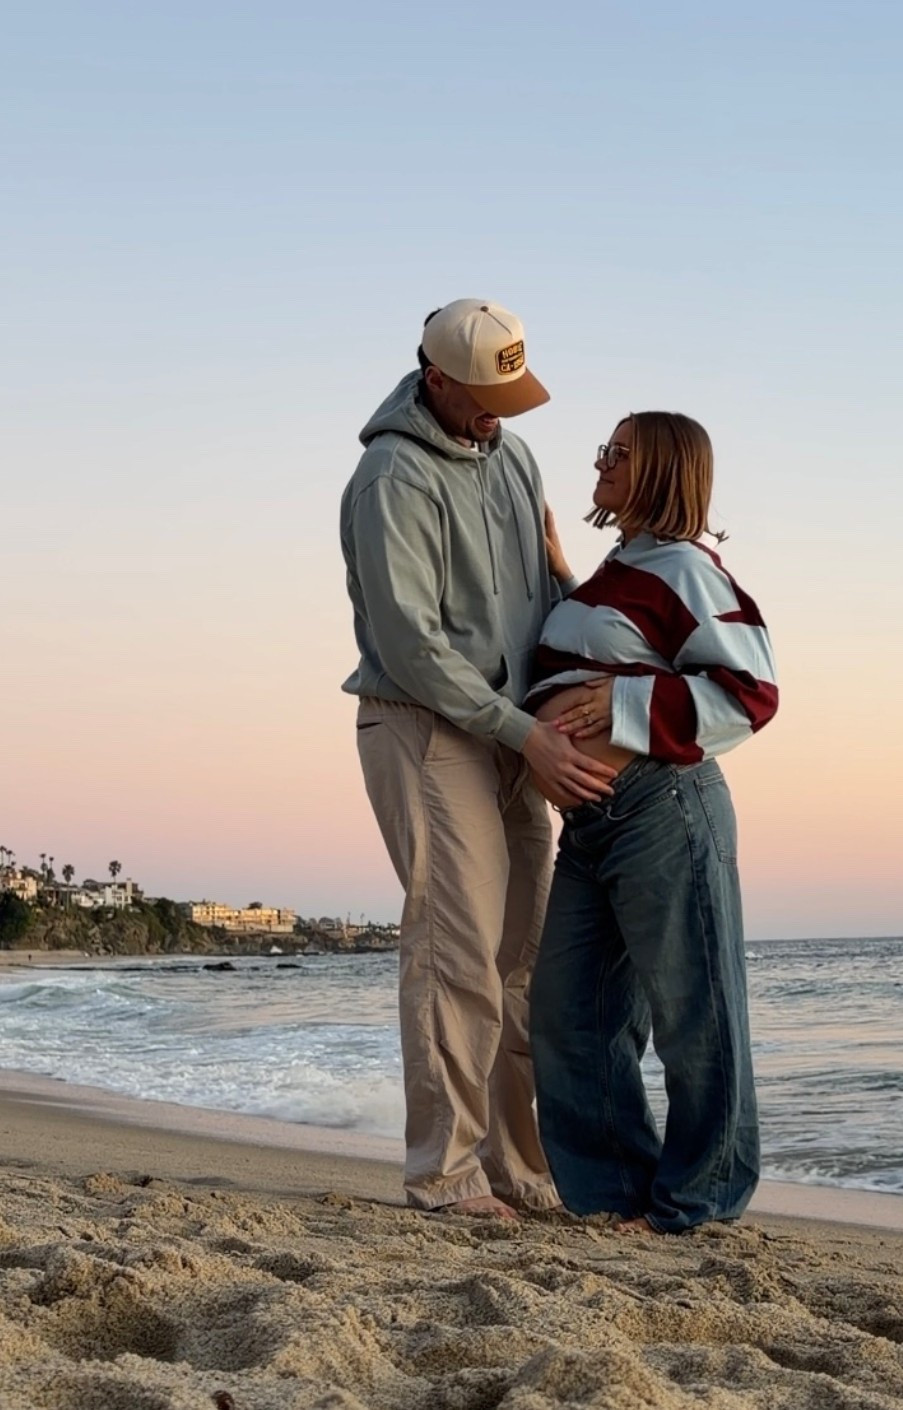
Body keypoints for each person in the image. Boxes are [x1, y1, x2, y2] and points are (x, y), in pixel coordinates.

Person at [340, 299, 617, 1218]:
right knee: (455, 951)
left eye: (514, 391)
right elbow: (411, 644)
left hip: (509, 731)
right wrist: (522, 733)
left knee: (522, 958)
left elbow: (541, 601)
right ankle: (446, 1175)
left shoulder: (515, 457)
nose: (504, 412)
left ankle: (520, 1169)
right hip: (424, 727)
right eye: (488, 394)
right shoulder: (391, 478)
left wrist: (572, 591)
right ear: (436, 380)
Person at [525, 411, 779, 1233]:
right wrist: (564, 571)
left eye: (619, 453)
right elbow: (608, 639)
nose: (599, 460)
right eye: (604, 448)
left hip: (661, 807)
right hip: (592, 823)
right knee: (571, 1018)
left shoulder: (686, 569)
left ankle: (700, 1204)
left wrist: (625, 703)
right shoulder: (620, 569)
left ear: (665, 470)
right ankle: (612, 1198)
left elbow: (752, 692)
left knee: (695, 1015)